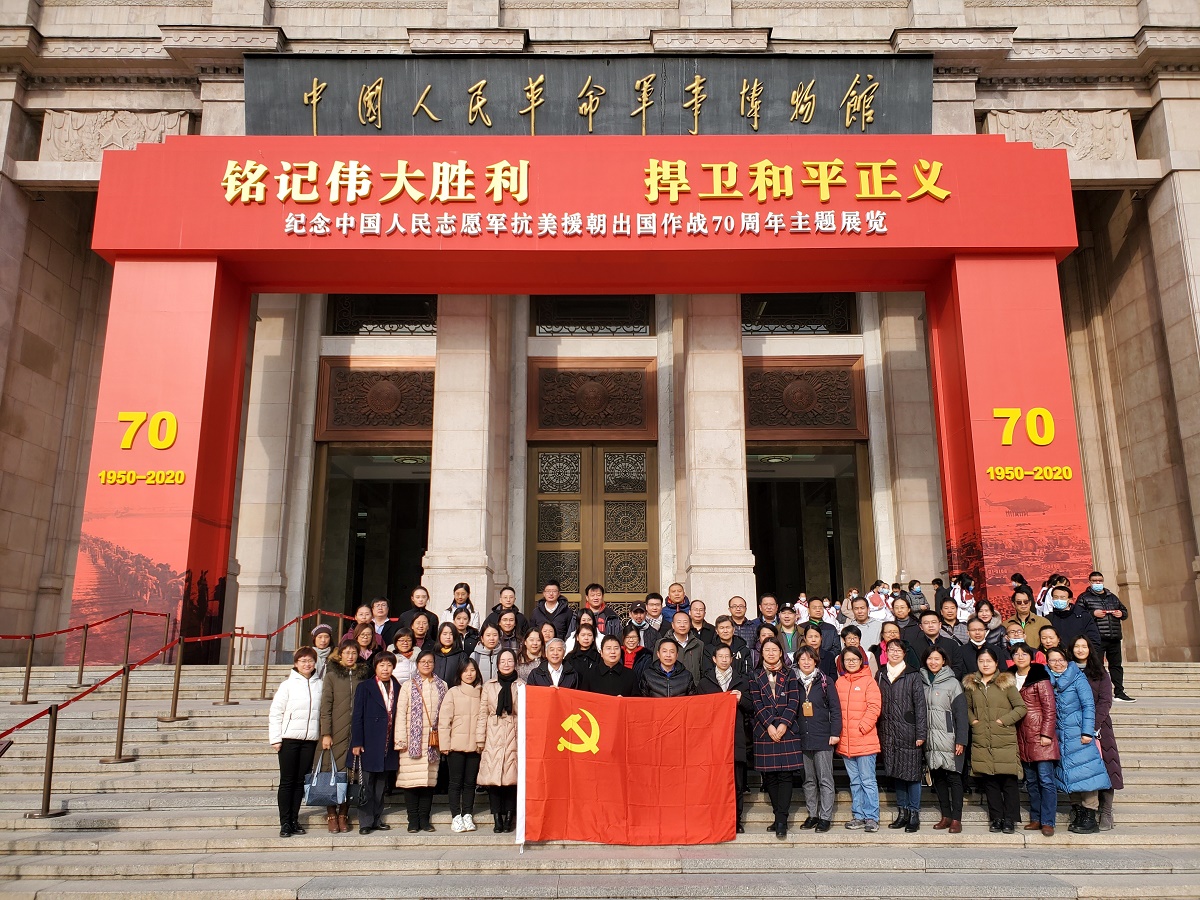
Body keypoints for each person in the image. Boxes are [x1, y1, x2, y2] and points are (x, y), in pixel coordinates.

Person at [1046, 647, 1111, 834]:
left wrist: (1087, 731)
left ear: (1067, 660)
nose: (1057, 664)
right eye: (1053, 660)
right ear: (1047, 663)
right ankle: (1078, 812)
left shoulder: (1077, 678)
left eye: (1061, 660)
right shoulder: (1047, 680)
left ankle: (1090, 815)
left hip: (1078, 734)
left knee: (1087, 773)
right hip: (1060, 736)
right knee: (1069, 773)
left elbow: (1088, 705)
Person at [963, 646, 1027, 834]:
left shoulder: (1005, 683)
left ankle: (1010, 819)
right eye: (981, 661)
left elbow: (1021, 707)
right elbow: (966, 708)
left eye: (989, 661)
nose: (985, 664)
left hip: (1004, 738)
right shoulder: (972, 684)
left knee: (1008, 781)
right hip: (982, 738)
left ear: (996, 663)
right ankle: (996, 818)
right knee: (990, 782)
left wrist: (1003, 721)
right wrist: (974, 722)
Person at [749, 637, 803, 838]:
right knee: (770, 776)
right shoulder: (755, 675)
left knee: (785, 775)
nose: (771, 653)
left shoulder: (790, 674)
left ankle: (782, 820)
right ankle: (777, 815)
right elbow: (756, 703)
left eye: (774, 650)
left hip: (786, 730)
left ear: (781, 652)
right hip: (765, 731)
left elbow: (794, 701)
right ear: (761, 653)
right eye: (767, 650)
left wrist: (783, 724)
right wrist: (770, 725)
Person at [698, 643, 753, 832]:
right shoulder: (705, 683)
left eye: (727, 656)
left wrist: (741, 699)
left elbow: (752, 707)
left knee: (736, 783)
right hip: (712, 741)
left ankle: (735, 820)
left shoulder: (742, 682)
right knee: (714, 783)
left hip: (736, 739)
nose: (723, 659)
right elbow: (699, 712)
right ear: (714, 659)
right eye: (720, 656)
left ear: (732, 659)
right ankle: (715, 819)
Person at [269, 647, 323, 838]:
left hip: (310, 740)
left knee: (300, 782)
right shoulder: (287, 685)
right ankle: (285, 822)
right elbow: (276, 712)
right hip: (289, 739)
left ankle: (294, 819)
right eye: (303, 661)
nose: (307, 664)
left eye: (310, 661)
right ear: (296, 664)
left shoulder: (320, 685)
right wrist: (276, 738)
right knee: (287, 781)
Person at [1071, 636, 1124, 830]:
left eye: (1084, 646)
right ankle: (1080, 810)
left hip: (1099, 726)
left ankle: (1106, 811)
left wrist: (1092, 725)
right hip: (1073, 727)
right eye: (1076, 646)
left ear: (1090, 649)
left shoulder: (1100, 672)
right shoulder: (1068, 670)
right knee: (1079, 769)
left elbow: (1105, 700)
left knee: (1107, 767)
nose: (1080, 649)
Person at [876, 638, 927, 832]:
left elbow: (920, 706)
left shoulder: (913, 674)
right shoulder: (881, 674)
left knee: (912, 774)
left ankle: (914, 813)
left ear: (904, 653)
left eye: (898, 650)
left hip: (909, 731)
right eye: (891, 649)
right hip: (888, 732)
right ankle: (902, 812)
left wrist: (921, 733)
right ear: (886, 652)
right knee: (897, 773)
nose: (895, 653)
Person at [319, 639, 369, 833]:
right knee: (329, 773)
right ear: (340, 655)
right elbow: (325, 706)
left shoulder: (362, 676)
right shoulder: (331, 676)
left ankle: (343, 814)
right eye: (347, 652)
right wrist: (326, 733)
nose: (350, 656)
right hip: (334, 733)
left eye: (354, 653)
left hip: (354, 733)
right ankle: (331, 814)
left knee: (350, 775)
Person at [393, 650, 446, 833]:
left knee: (428, 783)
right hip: (411, 742)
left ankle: (424, 819)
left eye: (429, 661)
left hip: (432, 742)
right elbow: (401, 714)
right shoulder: (408, 685)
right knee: (410, 782)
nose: (426, 664)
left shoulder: (442, 685)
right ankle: (412, 820)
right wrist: (401, 740)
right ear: (417, 664)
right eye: (423, 661)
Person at [349, 651, 400, 835]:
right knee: (367, 783)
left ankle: (377, 819)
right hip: (369, 741)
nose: (385, 669)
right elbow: (357, 716)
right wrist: (357, 741)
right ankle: (365, 821)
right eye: (381, 665)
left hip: (388, 741)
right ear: (375, 667)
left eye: (389, 665)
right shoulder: (365, 687)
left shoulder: (398, 687)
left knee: (381, 784)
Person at [1011, 641, 1058, 836]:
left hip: (1040, 735)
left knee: (1046, 780)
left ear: (1031, 657)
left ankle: (1048, 821)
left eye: (1024, 653)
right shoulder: (1009, 678)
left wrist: (1046, 734)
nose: (1020, 657)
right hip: (1022, 735)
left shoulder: (1039, 676)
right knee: (1030, 781)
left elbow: (1049, 707)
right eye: (1016, 654)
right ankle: (1036, 818)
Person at [793, 647, 841, 833]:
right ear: (797, 662)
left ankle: (825, 817)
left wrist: (835, 732)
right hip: (802, 737)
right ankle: (812, 814)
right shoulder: (793, 681)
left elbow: (835, 709)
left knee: (825, 779)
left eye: (810, 659)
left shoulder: (825, 681)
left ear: (816, 661)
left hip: (823, 737)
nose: (806, 662)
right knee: (808, 780)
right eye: (802, 659)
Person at [922, 647, 969, 834]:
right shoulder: (922, 682)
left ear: (944, 661)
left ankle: (957, 818)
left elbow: (961, 714)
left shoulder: (953, 683)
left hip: (950, 738)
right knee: (938, 778)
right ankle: (946, 815)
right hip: (930, 738)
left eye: (937, 659)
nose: (933, 662)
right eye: (930, 659)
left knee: (954, 778)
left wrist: (961, 739)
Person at [835, 647, 882, 832]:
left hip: (864, 740)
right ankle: (858, 815)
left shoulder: (869, 681)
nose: (851, 662)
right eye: (848, 660)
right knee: (855, 781)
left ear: (861, 661)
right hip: (846, 742)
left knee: (867, 780)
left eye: (855, 659)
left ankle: (872, 817)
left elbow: (874, 707)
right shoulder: (840, 682)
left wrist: (862, 727)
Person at [477, 648, 521, 833]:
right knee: (493, 778)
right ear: (497, 664)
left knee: (512, 777)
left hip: (514, 732)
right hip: (493, 733)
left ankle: (510, 816)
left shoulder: (521, 685)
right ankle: (497, 817)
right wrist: (480, 738)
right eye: (502, 661)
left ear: (515, 663)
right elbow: (482, 713)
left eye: (510, 661)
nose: (506, 664)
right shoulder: (489, 685)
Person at [438, 658, 483, 833]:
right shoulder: (453, 692)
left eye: (472, 670)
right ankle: (456, 816)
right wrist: (444, 744)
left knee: (470, 782)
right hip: (455, 745)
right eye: (465, 671)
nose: (469, 674)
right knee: (455, 782)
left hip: (475, 745)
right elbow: (444, 721)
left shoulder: (482, 692)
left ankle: (467, 814)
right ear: (459, 673)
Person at [1077, 571, 1135, 702]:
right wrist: (1093, 613)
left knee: (1116, 666)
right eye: (1095, 581)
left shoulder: (1112, 597)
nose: (1098, 583)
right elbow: (1079, 615)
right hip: (1097, 638)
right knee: (1097, 666)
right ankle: (1098, 692)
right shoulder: (1084, 597)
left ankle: (1119, 692)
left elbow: (1125, 611)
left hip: (1114, 636)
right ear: (1089, 582)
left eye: (1100, 580)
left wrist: (1121, 613)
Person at [1046, 585, 1102, 654]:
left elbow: (1094, 638)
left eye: (1062, 597)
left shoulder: (1083, 616)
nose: (1059, 600)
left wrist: (1088, 655)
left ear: (1070, 599)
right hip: (1057, 657)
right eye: (1056, 597)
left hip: (1079, 656)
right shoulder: (1049, 618)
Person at [912, 610, 966, 678]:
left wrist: (948, 680)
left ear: (940, 625)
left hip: (948, 681)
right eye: (926, 623)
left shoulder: (952, 644)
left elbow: (958, 667)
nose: (930, 625)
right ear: (921, 627)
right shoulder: (914, 645)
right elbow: (914, 669)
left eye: (934, 622)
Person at [669, 611, 705, 683]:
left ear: (690, 624)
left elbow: (702, 669)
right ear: (673, 625)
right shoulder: (663, 644)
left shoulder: (699, 644)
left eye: (685, 622)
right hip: (671, 687)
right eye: (679, 622)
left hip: (694, 687)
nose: (682, 625)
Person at [432, 622, 465, 687]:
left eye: (451, 634)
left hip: (454, 691)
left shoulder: (461, 656)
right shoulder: (433, 655)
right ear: (439, 635)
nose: (448, 637)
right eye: (445, 634)